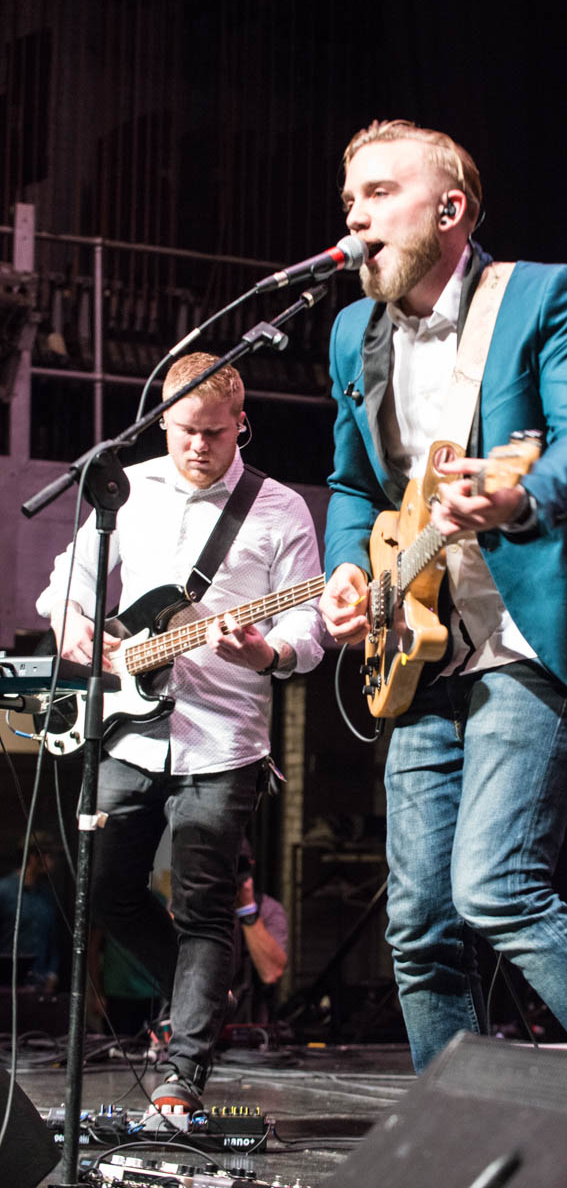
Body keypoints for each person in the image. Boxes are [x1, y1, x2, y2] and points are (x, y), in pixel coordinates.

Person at [319, 119, 567, 1072]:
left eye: (379, 194)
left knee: (495, 888)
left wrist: (517, 496)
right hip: (420, 641)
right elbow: (353, 485)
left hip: (533, 627)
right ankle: (457, 1124)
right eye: (350, 199)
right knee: (417, 924)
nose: (356, 218)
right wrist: (350, 569)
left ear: (451, 209)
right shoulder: (352, 332)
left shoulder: (544, 294)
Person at [36, 351, 324, 1109]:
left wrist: (265, 651)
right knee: (102, 891)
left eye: (215, 433)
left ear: (241, 425)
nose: (198, 446)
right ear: (162, 423)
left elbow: (310, 626)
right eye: (184, 431)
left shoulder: (279, 509)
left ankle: (183, 1070)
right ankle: (198, 992)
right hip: (127, 729)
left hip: (223, 740)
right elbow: (69, 581)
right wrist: (73, 623)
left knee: (204, 908)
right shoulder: (127, 491)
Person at [229, 839, 288, 1026]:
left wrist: (247, 910)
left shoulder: (269, 910)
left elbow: (271, 973)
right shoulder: (189, 906)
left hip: (251, 1028)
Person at [0, 832, 61, 992]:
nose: (53, 862)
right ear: (34, 857)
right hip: (7, 984)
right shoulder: (4, 891)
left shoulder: (47, 896)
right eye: (49, 856)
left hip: (39, 983)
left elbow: (52, 940)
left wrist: (52, 973)